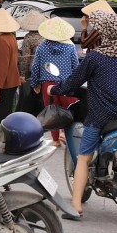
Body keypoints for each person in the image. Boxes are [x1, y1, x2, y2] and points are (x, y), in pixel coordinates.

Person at [48, 10, 117, 219]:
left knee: (83, 158)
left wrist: (54, 90)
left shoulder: (95, 58)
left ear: (104, 34)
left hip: (101, 117)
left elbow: (72, 83)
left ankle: (75, 206)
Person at [30, 17, 79, 147]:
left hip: (48, 85)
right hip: (67, 83)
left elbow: (35, 67)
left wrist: (35, 84)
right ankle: (66, 133)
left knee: (52, 111)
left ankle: (56, 140)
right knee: (68, 110)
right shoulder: (70, 48)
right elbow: (76, 67)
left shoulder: (42, 47)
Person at [15, 10, 45, 116]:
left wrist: (22, 74)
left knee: (32, 93)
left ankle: (31, 115)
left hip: (34, 69)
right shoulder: (46, 36)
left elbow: (26, 58)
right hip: (46, 69)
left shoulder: (28, 38)